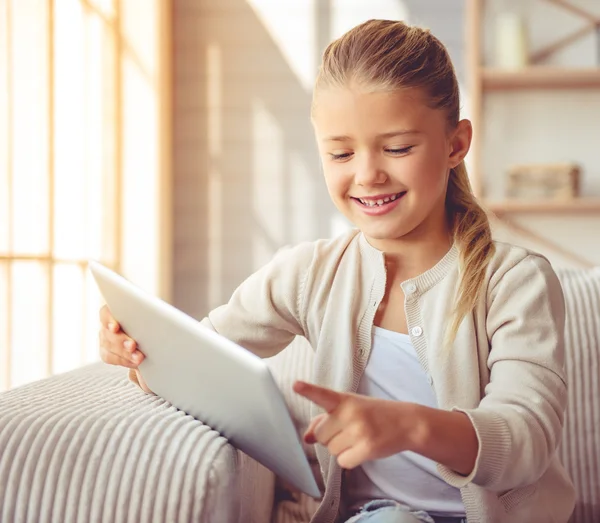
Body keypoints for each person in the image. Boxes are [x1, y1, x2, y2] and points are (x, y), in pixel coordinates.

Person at [98, 19, 575, 523]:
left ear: (455, 144)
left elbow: (528, 436)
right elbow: (202, 359)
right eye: (341, 153)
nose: (367, 173)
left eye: (397, 148)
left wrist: (413, 426)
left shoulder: (514, 281)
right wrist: (136, 352)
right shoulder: (310, 274)